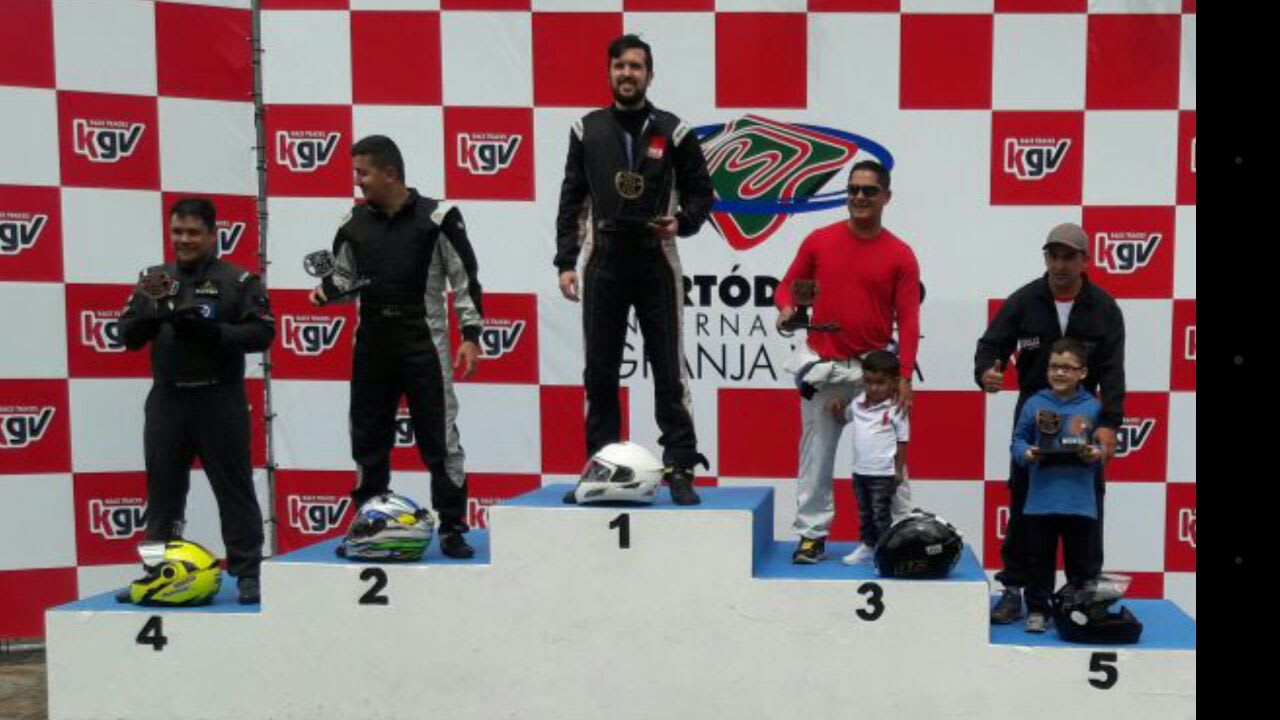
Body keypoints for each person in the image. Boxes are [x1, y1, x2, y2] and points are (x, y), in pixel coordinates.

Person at [553, 34, 714, 505]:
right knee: (599, 371)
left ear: (649, 74)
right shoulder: (586, 129)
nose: (627, 74)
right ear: (609, 73)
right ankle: (601, 468)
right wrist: (566, 260)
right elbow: (571, 198)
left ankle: (680, 466)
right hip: (602, 256)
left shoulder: (675, 131)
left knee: (668, 368)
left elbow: (702, 194)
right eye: (620, 66)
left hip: (655, 256)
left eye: (636, 67)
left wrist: (682, 222)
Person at [310, 135, 483, 559]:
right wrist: (326, 291)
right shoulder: (352, 223)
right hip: (372, 344)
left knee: (440, 440)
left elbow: (464, 279)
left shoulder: (438, 217)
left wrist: (471, 335)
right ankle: (368, 525)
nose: (358, 181)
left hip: (423, 344)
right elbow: (345, 281)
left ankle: (453, 527)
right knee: (368, 440)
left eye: (363, 173)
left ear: (390, 173)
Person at [116, 197, 273, 604]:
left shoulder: (238, 281)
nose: (183, 240)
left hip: (220, 398)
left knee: (234, 490)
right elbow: (125, 335)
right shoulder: (153, 279)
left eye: (193, 233)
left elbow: (262, 334)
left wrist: (214, 333)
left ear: (213, 234)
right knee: (162, 495)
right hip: (167, 398)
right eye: (177, 232)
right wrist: (150, 320)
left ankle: (248, 573)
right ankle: (156, 573)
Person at [975, 222, 1125, 624]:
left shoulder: (1104, 308)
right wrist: (986, 372)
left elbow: (1113, 371)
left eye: (1068, 257)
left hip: (1084, 416)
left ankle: (1084, 593)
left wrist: (1109, 423)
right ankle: (1013, 590)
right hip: (1033, 410)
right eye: (1052, 256)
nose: (1059, 265)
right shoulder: (1024, 301)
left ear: (1085, 261)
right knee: (1024, 501)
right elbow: (991, 346)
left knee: (1087, 506)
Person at [775, 160, 920, 564]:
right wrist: (787, 307)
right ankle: (812, 534)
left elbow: (909, 319)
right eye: (853, 189)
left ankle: (900, 533)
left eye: (868, 190)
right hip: (826, 366)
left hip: (876, 374)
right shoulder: (819, 241)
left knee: (889, 459)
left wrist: (905, 377)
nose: (858, 196)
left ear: (886, 197)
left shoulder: (901, 254)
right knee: (816, 454)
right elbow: (787, 287)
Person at [1010, 338, 1105, 632]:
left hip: (1080, 503)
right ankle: (1038, 610)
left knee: (1082, 565)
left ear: (1082, 373)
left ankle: (1080, 612)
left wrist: (1095, 454)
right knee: (1038, 561)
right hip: (1040, 501)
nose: (1059, 373)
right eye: (1054, 367)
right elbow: (1017, 441)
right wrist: (1026, 454)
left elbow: (1103, 447)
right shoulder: (1034, 403)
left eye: (1067, 367)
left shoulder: (1094, 406)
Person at [826, 350, 911, 565]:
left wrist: (898, 470)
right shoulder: (857, 403)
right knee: (865, 513)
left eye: (880, 383)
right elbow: (842, 418)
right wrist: (836, 406)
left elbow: (902, 441)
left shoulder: (897, 409)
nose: (873, 388)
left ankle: (885, 553)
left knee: (881, 515)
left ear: (894, 383)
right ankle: (867, 547)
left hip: (883, 473)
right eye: (869, 382)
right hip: (860, 472)